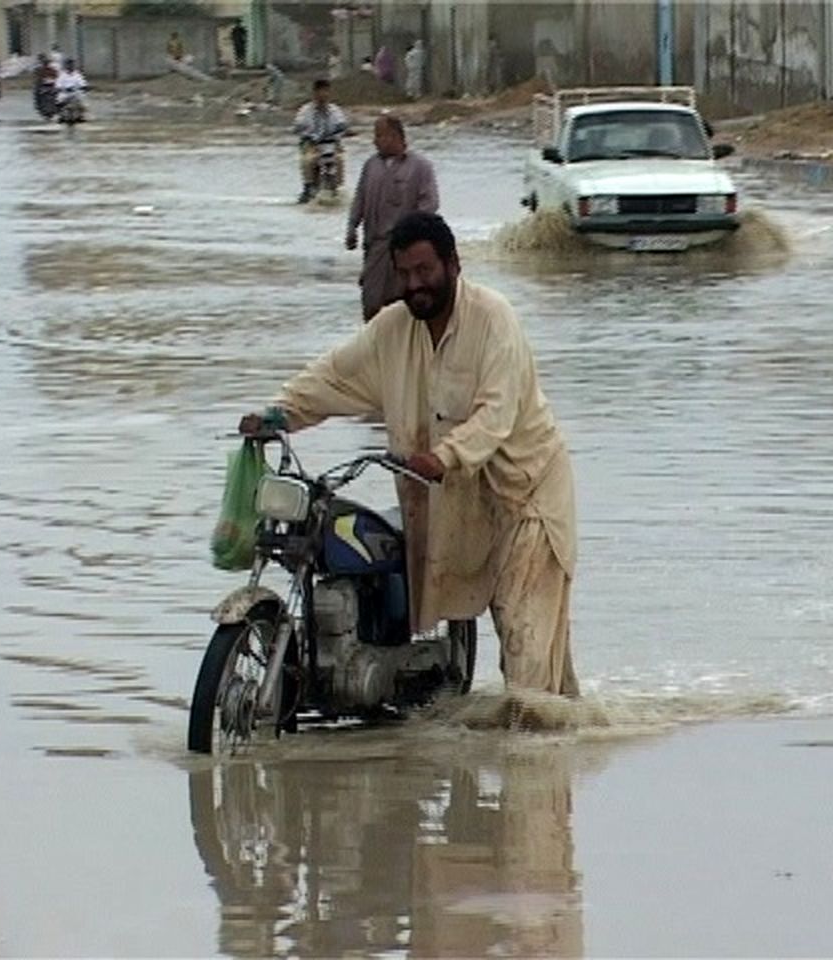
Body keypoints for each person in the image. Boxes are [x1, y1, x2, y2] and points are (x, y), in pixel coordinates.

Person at [239, 212, 580, 698]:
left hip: (526, 496)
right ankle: (563, 739)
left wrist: (443, 455)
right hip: (451, 497)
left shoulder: (493, 318)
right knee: (536, 658)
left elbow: (496, 413)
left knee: (525, 641)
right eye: (405, 274)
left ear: (453, 265)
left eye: (425, 272)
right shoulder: (392, 329)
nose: (415, 285)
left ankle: (537, 752)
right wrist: (279, 414)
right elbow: (335, 375)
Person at [345, 114, 438, 320]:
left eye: (379, 135)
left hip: (405, 251)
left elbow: (430, 204)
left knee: (402, 308)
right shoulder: (371, 165)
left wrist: (413, 233)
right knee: (371, 304)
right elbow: (360, 198)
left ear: (395, 136)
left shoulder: (420, 167)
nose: (375, 141)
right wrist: (352, 227)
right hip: (375, 248)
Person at [292, 77, 349, 203]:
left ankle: (337, 187)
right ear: (315, 93)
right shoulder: (305, 111)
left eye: (326, 91)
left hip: (331, 144)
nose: (324, 95)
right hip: (311, 145)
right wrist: (311, 140)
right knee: (308, 160)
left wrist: (344, 133)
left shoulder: (335, 111)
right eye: (321, 91)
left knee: (339, 159)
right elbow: (299, 128)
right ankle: (309, 186)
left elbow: (342, 127)